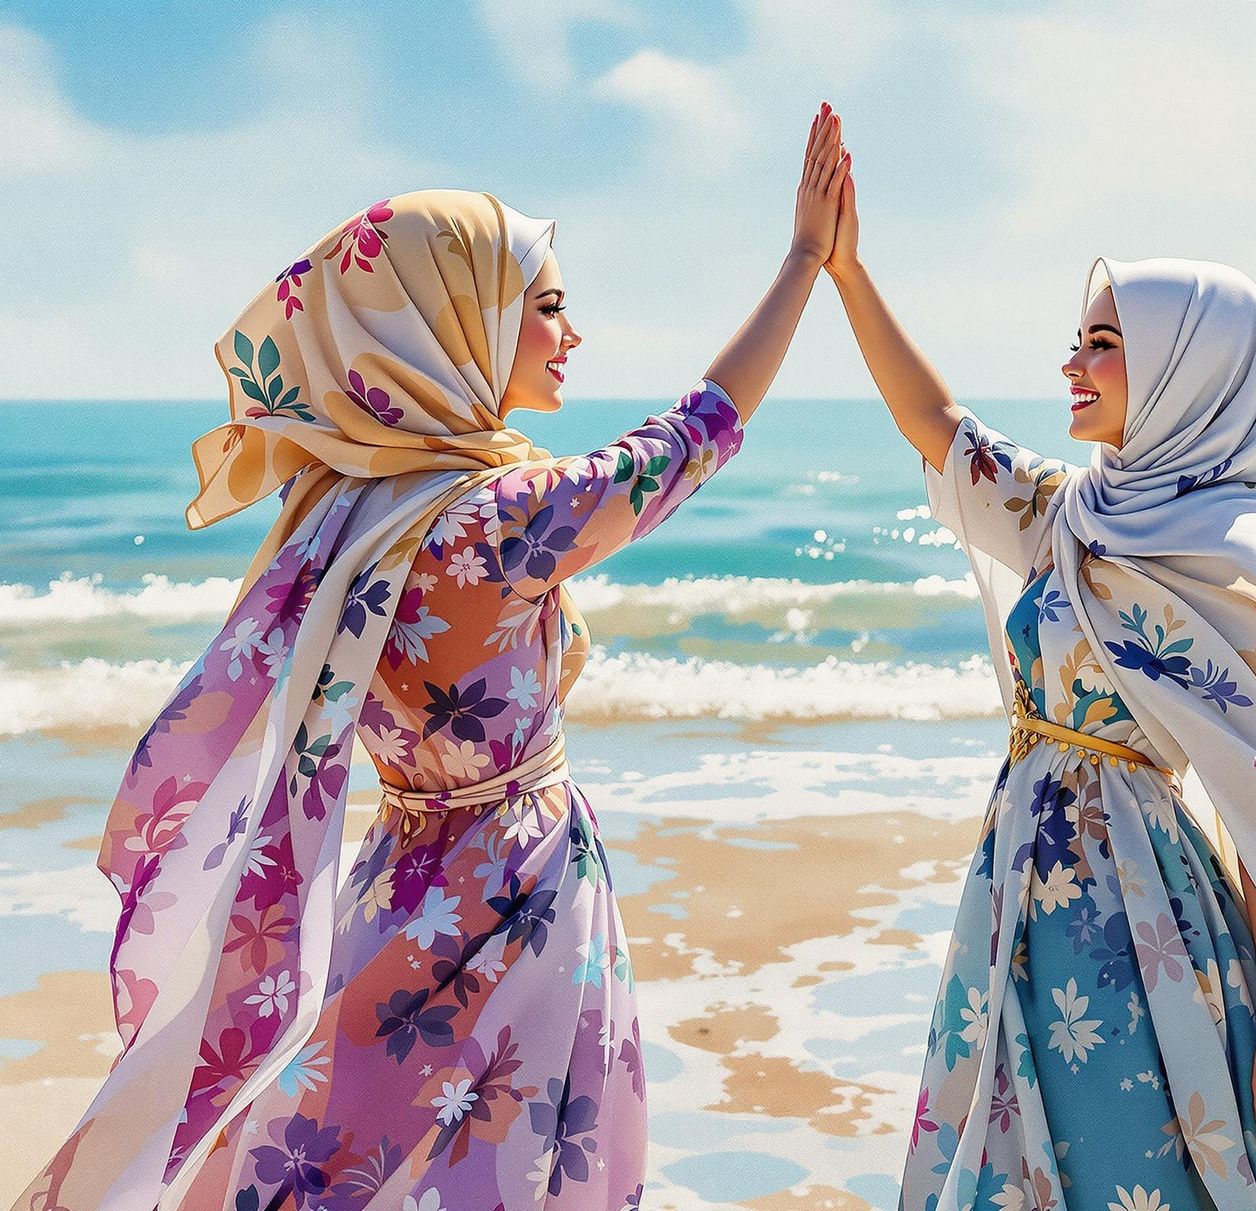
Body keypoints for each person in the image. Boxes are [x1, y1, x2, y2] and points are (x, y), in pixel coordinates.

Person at [14, 106, 850, 1211]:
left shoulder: (344, 512)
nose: (571, 332)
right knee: (510, 1162)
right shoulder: (496, 520)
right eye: (546, 307)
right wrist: (802, 262)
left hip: (398, 879)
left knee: (346, 1147)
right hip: (518, 889)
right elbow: (697, 428)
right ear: (457, 326)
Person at [821, 115, 1256, 1210]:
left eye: (1104, 341)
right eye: (1080, 338)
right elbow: (937, 424)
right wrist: (846, 273)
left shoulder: (1234, 563)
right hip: (1016, 881)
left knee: (1135, 1163)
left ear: (1192, 369)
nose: (1072, 361)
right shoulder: (1069, 513)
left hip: (1139, 909)